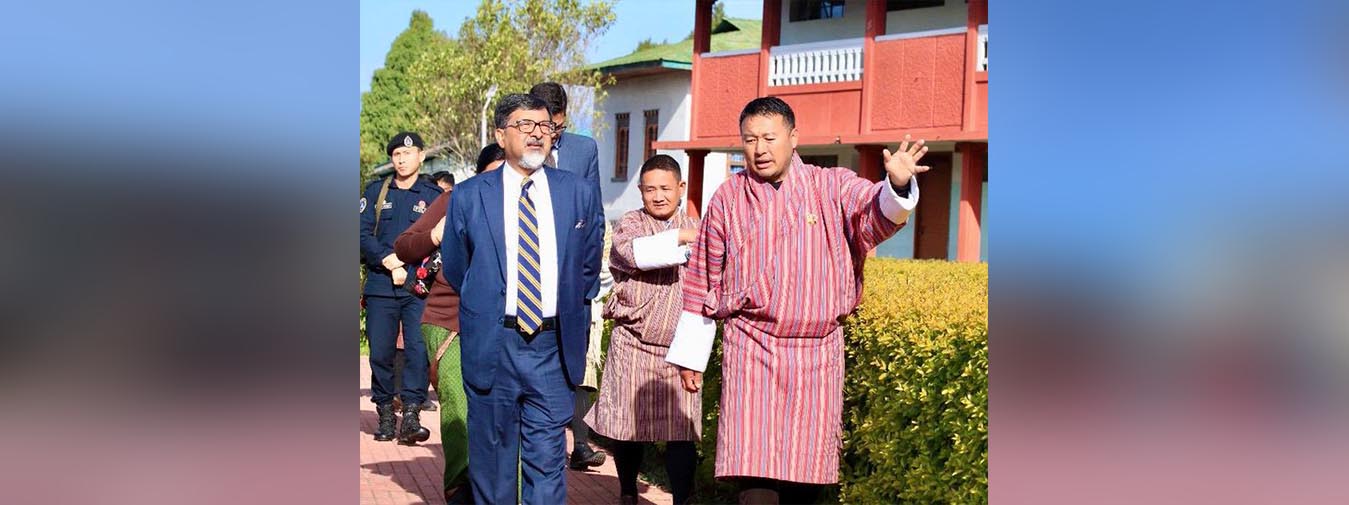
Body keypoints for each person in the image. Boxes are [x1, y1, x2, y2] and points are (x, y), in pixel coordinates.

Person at [664, 97, 928, 504]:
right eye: (749, 139)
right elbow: (702, 276)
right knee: (754, 479)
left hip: (816, 354)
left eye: (770, 137)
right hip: (751, 346)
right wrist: (690, 355)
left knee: (805, 482)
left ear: (794, 138)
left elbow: (872, 215)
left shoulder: (831, 185)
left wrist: (894, 186)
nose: (760, 149)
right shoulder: (727, 199)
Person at [441, 93, 603, 505]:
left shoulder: (578, 192)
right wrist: (491, 303)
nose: (536, 134)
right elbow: (460, 269)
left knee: (548, 463)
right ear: (501, 134)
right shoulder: (470, 195)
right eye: (525, 126)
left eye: (544, 126)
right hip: (495, 344)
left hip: (552, 346)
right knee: (493, 469)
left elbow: (586, 267)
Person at [586, 154, 702, 505]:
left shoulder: (700, 226)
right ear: (639, 192)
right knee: (628, 429)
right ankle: (626, 491)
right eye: (650, 189)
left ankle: (682, 500)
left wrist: (694, 355)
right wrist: (683, 237)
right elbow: (636, 254)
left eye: (666, 188)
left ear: (681, 188)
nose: (659, 196)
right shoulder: (629, 224)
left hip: (679, 347)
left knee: (683, 433)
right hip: (632, 342)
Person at [393, 143, 504, 504]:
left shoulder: (531, 206)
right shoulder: (456, 199)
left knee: (502, 407)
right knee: (459, 402)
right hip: (448, 317)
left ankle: (502, 486)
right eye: (495, 173)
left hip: (506, 323)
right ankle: (461, 487)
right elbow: (405, 245)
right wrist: (435, 235)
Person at [530, 81, 607, 470]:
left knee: (576, 359)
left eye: (557, 127)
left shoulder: (584, 149)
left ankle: (580, 442)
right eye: (545, 127)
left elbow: (595, 215)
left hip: (576, 278)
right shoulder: (521, 148)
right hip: (530, 277)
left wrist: (590, 280)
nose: (551, 135)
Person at [360, 131, 443, 444]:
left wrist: (408, 269)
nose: (402, 159)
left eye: (409, 154)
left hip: (417, 286)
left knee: (417, 352)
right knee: (380, 352)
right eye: (396, 155)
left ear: (421, 156)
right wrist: (388, 262)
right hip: (382, 286)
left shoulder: (433, 195)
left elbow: (440, 237)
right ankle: (384, 410)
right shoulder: (376, 192)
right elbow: (361, 234)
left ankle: (411, 413)